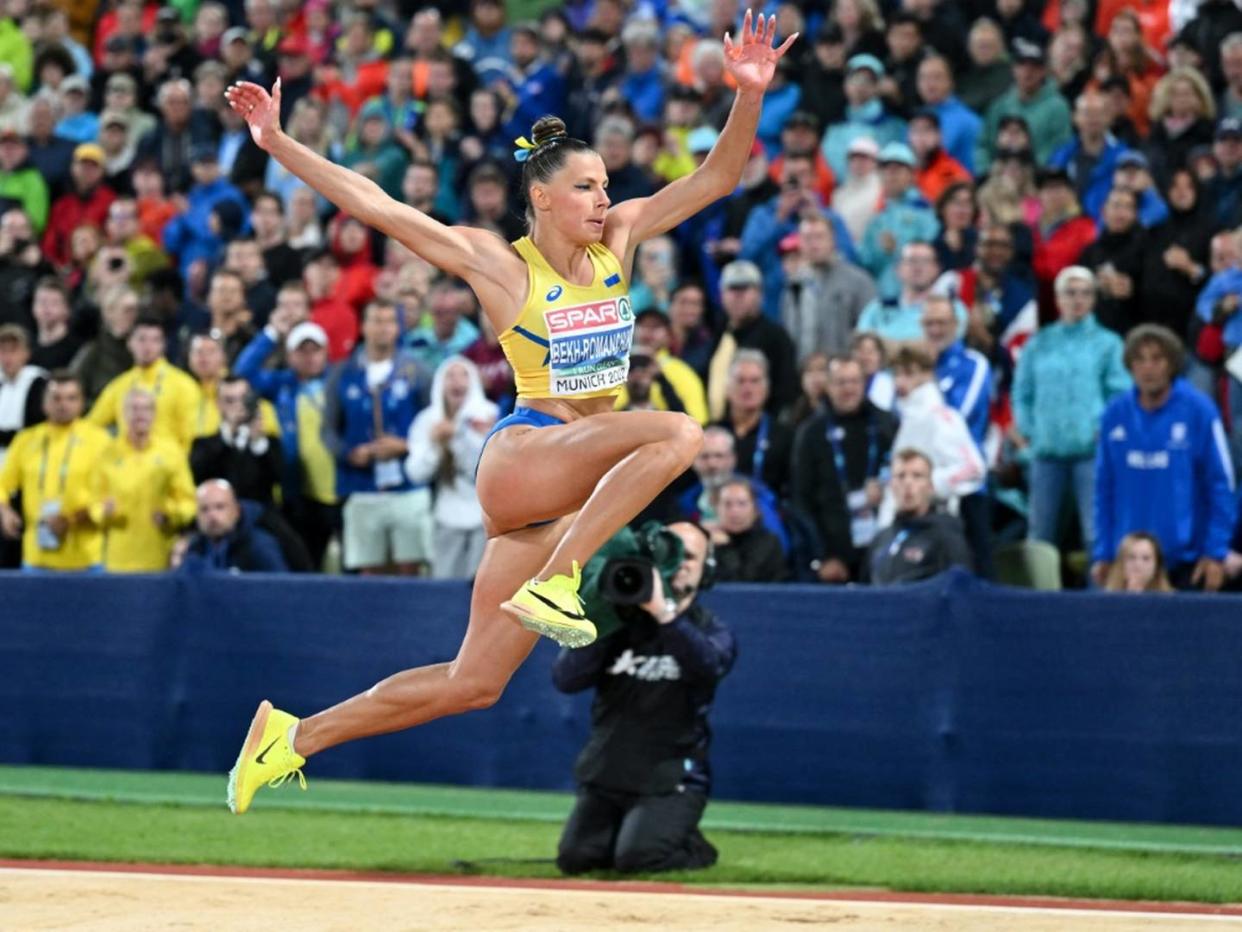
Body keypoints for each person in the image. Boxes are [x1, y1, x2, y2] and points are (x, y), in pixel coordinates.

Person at [220, 12, 796, 814]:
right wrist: (278, 143)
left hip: (562, 501)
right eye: (586, 187)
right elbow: (382, 207)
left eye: (603, 185)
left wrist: (748, 95)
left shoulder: (621, 240)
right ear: (542, 198)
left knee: (474, 682)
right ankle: (559, 581)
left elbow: (718, 179)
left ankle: (289, 737)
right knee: (681, 431)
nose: (604, 198)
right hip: (528, 455)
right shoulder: (501, 264)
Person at [553, 521, 734, 875]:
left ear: (706, 571)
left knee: (639, 859)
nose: (679, 563)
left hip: (671, 779)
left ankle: (694, 847)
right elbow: (566, 679)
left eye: (691, 558)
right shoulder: (618, 624)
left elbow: (708, 666)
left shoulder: (712, 629)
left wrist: (663, 614)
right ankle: (634, 832)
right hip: (608, 772)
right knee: (575, 860)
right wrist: (606, 617)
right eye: (672, 553)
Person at [1092, 325, 1236, 591]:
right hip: (1129, 565)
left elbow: (1221, 484)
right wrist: (1102, 552)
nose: (1148, 368)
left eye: (1157, 359)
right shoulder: (1115, 414)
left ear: (1172, 364)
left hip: (1187, 563)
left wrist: (1215, 550)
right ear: (1129, 365)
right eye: (1140, 359)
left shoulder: (1199, 411)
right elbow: (1103, 489)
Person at [1014, 266, 1131, 554]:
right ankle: (1040, 597)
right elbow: (1022, 392)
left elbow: (1120, 394)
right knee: (1040, 535)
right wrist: (1031, 430)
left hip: (1091, 452)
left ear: (1093, 299)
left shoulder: (1108, 343)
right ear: (1057, 298)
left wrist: (1102, 430)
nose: (1078, 300)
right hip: (1046, 451)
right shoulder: (1039, 343)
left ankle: (1099, 598)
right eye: (1070, 293)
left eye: (1085, 293)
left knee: (1095, 534)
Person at [234, 319, 338, 570]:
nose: (309, 357)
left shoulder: (340, 382)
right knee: (305, 559)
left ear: (326, 353)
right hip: (297, 487)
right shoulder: (282, 384)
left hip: (339, 487)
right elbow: (243, 371)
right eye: (302, 351)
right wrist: (270, 334)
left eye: (316, 350)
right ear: (290, 355)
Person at [793, 354, 897, 583]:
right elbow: (801, 498)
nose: (848, 389)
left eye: (854, 381)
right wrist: (823, 555)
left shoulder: (886, 424)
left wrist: (885, 487)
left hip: (883, 544)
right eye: (841, 382)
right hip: (834, 556)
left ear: (864, 384)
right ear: (828, 386)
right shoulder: (811, 432)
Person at [0, 372, 110, 572]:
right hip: (35, 558)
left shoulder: (100, 441)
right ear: (45, 403)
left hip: (87, 558)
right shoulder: (26, 440)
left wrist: (71, 520)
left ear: (82, 402)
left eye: (71, 398)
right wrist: (5, 511)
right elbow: (3, 484)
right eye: (56, 398)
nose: (63, 404)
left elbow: (109, 495)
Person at [404, 356, 498, 579]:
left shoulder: (491, 416)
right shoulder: (427, 420)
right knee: (445, 584)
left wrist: (460, 435)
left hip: (486, 517)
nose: (457, 381)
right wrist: (436, 446)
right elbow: (415, 473)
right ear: (440, 383)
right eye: (450, 375)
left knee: (482, 586)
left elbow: (493, 467)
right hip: (446, 515)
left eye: (464, 374)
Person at [98, 388, 197, 573]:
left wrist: (171, 515)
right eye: (134, 409)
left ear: (154, 414)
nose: (140, 415)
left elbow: (188, 501)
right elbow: (94, 501)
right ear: (123, 414)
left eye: (146, 409)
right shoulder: (107, 453)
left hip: (159, 556)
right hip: (117, 560)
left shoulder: (171, 452)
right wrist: (104, 512)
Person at [883, 346, 985, 525]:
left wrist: (924, 485)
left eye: (908, 373)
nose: (900, 382)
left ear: (927, 374)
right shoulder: (908, 419)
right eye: (896, 374)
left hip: (935, 523)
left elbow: (973, 468)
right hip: (904, 523)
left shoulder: (940, 417)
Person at [88, 317, 201, 453]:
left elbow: (190, 436)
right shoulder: (119, 385)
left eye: (155, 340)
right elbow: (91, 427)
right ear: (129, 343)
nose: (148, 346)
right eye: (141, 339)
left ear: (163, 345)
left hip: (167, 466)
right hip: (126, 466)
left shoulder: (184, 384)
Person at [867, 448, 973, 584]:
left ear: (930, 486)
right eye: (900, 476)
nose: (907, 483)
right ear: (891, 485)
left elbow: (963, 590)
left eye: (917, 476)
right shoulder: (881, 539)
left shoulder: (946, 536)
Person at [780, 211, 875, 360]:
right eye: (807, 238)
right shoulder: (793, 285)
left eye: (819, 237)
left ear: (832, 240)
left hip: (845, 375)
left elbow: (869, 335)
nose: (813, 244)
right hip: (805, 373)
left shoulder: (859, 282)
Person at [190, 375, 283, 506]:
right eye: (230, 400)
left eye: (244, 398)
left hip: (259, 516)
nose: (239, 405)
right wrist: (230, 437)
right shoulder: (203, 444)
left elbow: (278, 478)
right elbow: (198, 477)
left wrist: (258, 442)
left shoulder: (268, 442)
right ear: (218, 404)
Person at [175, 478, 289, 574]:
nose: (212, 515)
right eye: (204, 509)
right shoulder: (194, 550)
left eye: (220, 507)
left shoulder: (259, 546)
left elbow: (280, 591)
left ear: (237, 510)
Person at [710, 476, 789, 582]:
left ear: (755, 508)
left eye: (742, 504)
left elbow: (744, 583)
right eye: (727, 504)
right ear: (716, 508)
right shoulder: (706, 542)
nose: (735, 511)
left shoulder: (768, 542)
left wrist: (725, 548)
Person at [0, 324, 46, 467]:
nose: (8, 357)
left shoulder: (38, 381)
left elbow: (36, 426)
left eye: (13, 351)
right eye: (3, 351)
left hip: (28, 458)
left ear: (26, 353)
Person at [1103, 531, 1175, 592]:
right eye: (1131, 557)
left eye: (1146, 558)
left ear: (1157, 565)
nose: (1138, 564)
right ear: (1121, 563)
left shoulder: (1172, 601)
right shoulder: (1104, 600)